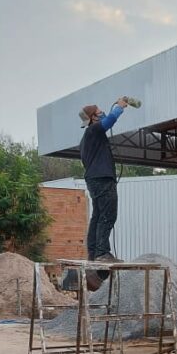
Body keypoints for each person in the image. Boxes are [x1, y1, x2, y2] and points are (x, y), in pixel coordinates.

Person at [78, 98, 128, 289]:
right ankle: (102, 253)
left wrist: (105, 110)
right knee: (108, 215)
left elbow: (105, 120)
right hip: (102, 178)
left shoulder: (87, 139)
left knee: (98, 216)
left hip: (94, 180)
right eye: (98, 112)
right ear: (93, 118)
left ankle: (94, 253)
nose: (101, 113)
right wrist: (119, 107)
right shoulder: (94, 130)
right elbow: (111, 119)